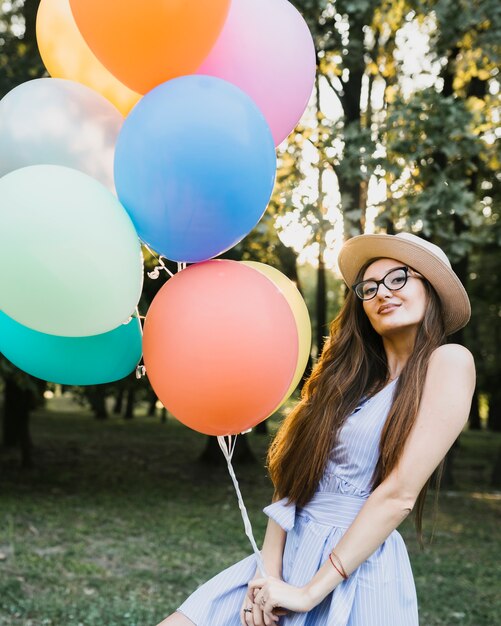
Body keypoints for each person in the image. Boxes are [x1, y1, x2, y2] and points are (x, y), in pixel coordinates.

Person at [157, 232, 475, 626]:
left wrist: (309, 592)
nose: (382, 293)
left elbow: (399, 496)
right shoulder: (346, 379)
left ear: (432, 291)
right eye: (369, 287)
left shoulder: (449, 362)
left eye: (399, 278)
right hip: (285, 556)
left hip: (355, 570)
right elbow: (293, 481)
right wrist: (266, 574)